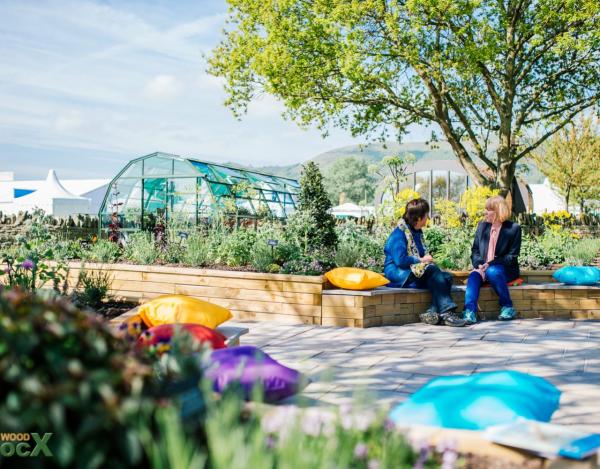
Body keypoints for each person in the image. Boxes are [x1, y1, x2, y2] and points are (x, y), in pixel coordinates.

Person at [384, 198, 466, 327]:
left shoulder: (416, 232)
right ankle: (446, 313)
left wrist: (425, 261)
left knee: (447, 277)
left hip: (416, 270)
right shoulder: (399, 234)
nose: (428, 218)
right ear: (418, 218)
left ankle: (431, 313)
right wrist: (422, 260)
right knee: (433, 271)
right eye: (427, 215)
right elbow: (400, 261)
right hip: (398, 272)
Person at [461, 196, 522, 325]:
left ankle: (507, 307)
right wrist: (479, 264)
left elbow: (511, 257)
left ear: (498, 211)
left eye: (488, 209)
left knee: (493, 271)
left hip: (502, 269)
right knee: (473, 276)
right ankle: (469, 312)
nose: (485, 212)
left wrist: (489, 264)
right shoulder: (482, 226)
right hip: (483, 267)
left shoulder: (513, 229)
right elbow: (475, 250)